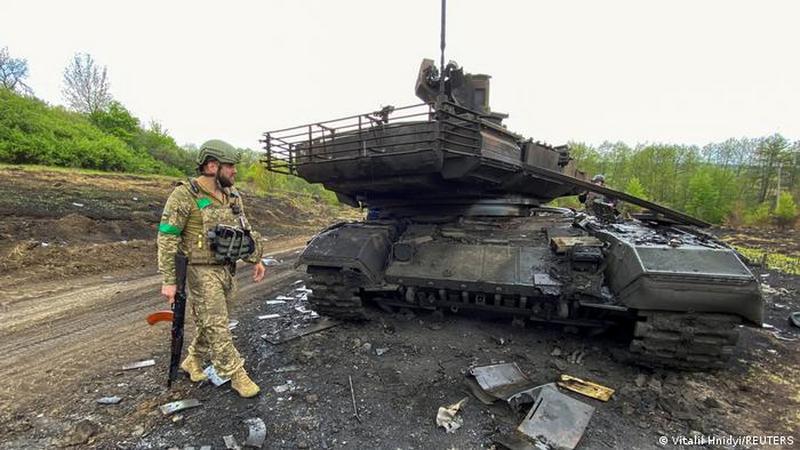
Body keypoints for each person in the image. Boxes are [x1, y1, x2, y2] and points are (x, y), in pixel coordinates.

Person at [157, 139, 266, 398]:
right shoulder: (184, 195)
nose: (235, 171)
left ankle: (193, 360)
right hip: (199, 270)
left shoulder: (233, 195)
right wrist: (169, 280)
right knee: (217, 325)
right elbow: (167, 236)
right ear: (211, 166)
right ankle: (236, 373)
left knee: (213, 320)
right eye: (230, 166)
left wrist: (256, 258)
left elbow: (244, 230)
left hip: (227, 268)